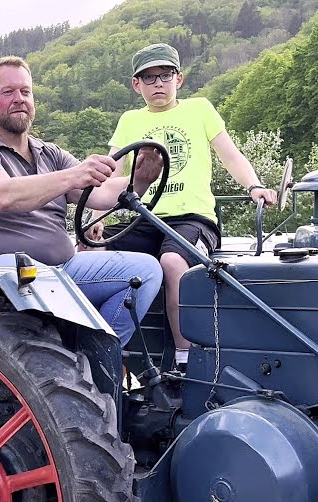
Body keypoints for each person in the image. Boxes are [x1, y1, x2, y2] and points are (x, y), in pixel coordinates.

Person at [0, 56, 163, 346]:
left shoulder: (50, 154)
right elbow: (1, 194)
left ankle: (96, 362)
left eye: (25, 92)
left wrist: (140, 180)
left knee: (145, 271)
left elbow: (99, 192)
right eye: (8, 92)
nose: (19, 99)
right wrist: (74, 175)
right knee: (28, 271)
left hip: (53, 272)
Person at [107, 43, 278, 368]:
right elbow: (113, 171)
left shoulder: (199, 109)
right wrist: (94, 217)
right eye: (149, 77)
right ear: (136, 84)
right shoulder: (130, 120)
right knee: (89, 250)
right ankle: (99, 346)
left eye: (165, 76)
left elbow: (230, 155)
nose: (158, 83)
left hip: (192, 218)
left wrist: (254, 186)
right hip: (146, 218)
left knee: (173, 262)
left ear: (179, 79)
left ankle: (185, 363)